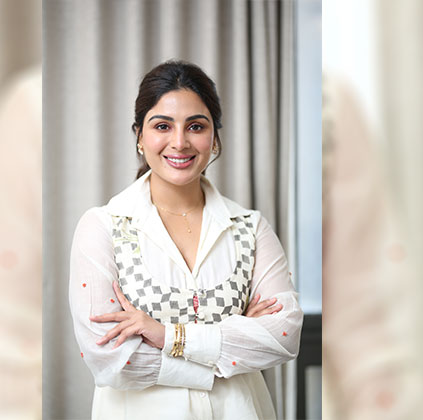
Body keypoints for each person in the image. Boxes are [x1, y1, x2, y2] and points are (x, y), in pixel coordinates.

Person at [68, 60, 303, 420]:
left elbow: (284, 336)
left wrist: (167, 336)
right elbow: (111, 360)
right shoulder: (103, 227)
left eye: (196, 126)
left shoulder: (250, 227)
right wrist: (233, 341)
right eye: (162, 125)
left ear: (215, 138)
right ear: (140, 135)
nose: (179, 142)